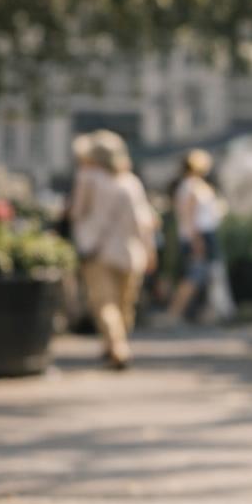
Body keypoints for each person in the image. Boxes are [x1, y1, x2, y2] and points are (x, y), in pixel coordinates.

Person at [78, 131, 158, 370]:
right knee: (124, 305)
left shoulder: (88, 178)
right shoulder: (132, 182)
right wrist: (150, 249)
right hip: (130, 251)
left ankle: (115, 346)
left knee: (104, 303)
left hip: (98, 250)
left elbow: (77, 213)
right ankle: (115, 345)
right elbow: (144, 222)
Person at [164, 150, 224, 324]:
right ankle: (174, 312)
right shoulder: (190, 186)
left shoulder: (193, 185)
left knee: (203, 276)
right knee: (194, 276)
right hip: (199, 235)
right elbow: (189, 217)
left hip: (202, 234)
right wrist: (196, 240)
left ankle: (202, 313)